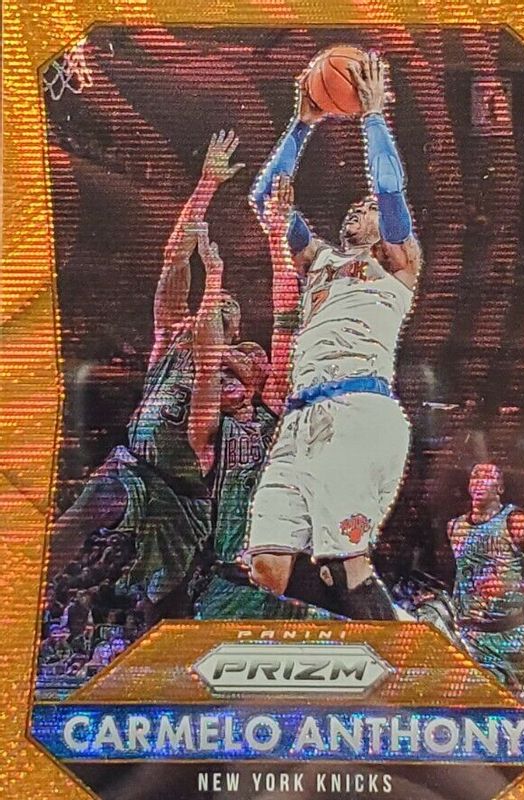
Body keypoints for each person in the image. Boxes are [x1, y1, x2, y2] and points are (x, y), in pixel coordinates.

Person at [245, 51, 421, 619]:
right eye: (356, 206)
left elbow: (390, 191)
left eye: (366, 208)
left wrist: (372, 116)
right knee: (267, 567)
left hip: (357, 411)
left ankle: (402, 653)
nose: (359, 209)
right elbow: (265, 199)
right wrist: (302, 124)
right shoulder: (319, 260)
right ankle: (384, 616)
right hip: (300, 417)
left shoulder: (396, 262)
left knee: (347, 562)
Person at [49, 131, 244, 624]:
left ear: (235, 331)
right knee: (81, 516)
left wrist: (215, 281)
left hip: (184, 498)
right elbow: (174, 258)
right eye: (213, 303)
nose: (216, 306)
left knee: (163, 609)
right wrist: (206, 185)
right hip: (135, 469)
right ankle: (20, 588)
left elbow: (210, 350)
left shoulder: (228, 369)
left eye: (227, 308)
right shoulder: (171, 338)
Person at [192, 177, 336, 620]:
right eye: (223, 368)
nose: (228, 372)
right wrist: (212, 282)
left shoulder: (272, 412)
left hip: (287, 585)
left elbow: (286, 317)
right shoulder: (209, 431)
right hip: (228, 588)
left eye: (244, 363)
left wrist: (277, 237)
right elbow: (206, 354)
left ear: (262, 378)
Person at [447, 463, 524, 703]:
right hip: (473, 637)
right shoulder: (455, 527)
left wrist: (511, 585)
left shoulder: (518, 523)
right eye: (475, 475)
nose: (479, 480)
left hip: (518, 635)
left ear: (500, 488)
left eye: (487, 476)